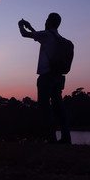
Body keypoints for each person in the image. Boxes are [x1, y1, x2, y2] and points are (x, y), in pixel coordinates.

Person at [18, 13, 71, 144]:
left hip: (46, 78)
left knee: (45, 108)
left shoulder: (47, 35)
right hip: (58, 78)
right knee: (59, 108)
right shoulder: (59, 39)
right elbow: (39, 37)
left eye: (46, 20)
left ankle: (51, 138)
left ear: (49, 22)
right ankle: (66, 138)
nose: (45, 22)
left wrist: (21, 25)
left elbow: (24, 34)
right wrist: (32, 27)